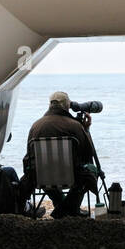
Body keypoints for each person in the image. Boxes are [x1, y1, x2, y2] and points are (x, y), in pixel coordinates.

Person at [20, 91, 99, 219]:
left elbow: (29, 158)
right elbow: (88, 155)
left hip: (41, 178)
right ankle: (68, 209)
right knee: (92, 171)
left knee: (43, 171)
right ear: (67, 106)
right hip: (72, 177)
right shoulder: (75, 126)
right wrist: (86, 130)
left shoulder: (36, 126)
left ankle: (61, 205)